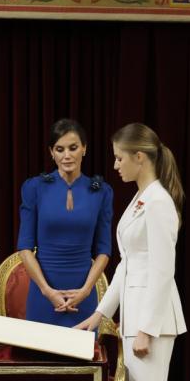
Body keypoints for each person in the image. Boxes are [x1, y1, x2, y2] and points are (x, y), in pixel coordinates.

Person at [76, 123, 186, 381]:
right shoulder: (141, 199)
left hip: (152, 322)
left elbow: (161, 270)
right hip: (136, 315)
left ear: (141, 158)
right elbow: (128, 265)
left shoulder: (158, 202)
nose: (116, 164)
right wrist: (99, 313)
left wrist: (146, 329)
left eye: (120, 157)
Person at [17, 119, 113, 325]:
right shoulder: (34, 188)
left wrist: (86, 290)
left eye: (73, 148)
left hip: (83, 298)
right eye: (60, 149)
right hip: (43, 297)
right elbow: (24, 247)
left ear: (84, 149)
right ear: (51, 152)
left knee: (82, 356)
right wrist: (47, 291)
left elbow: (104, 250)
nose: (67, 155)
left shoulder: (102, 192)